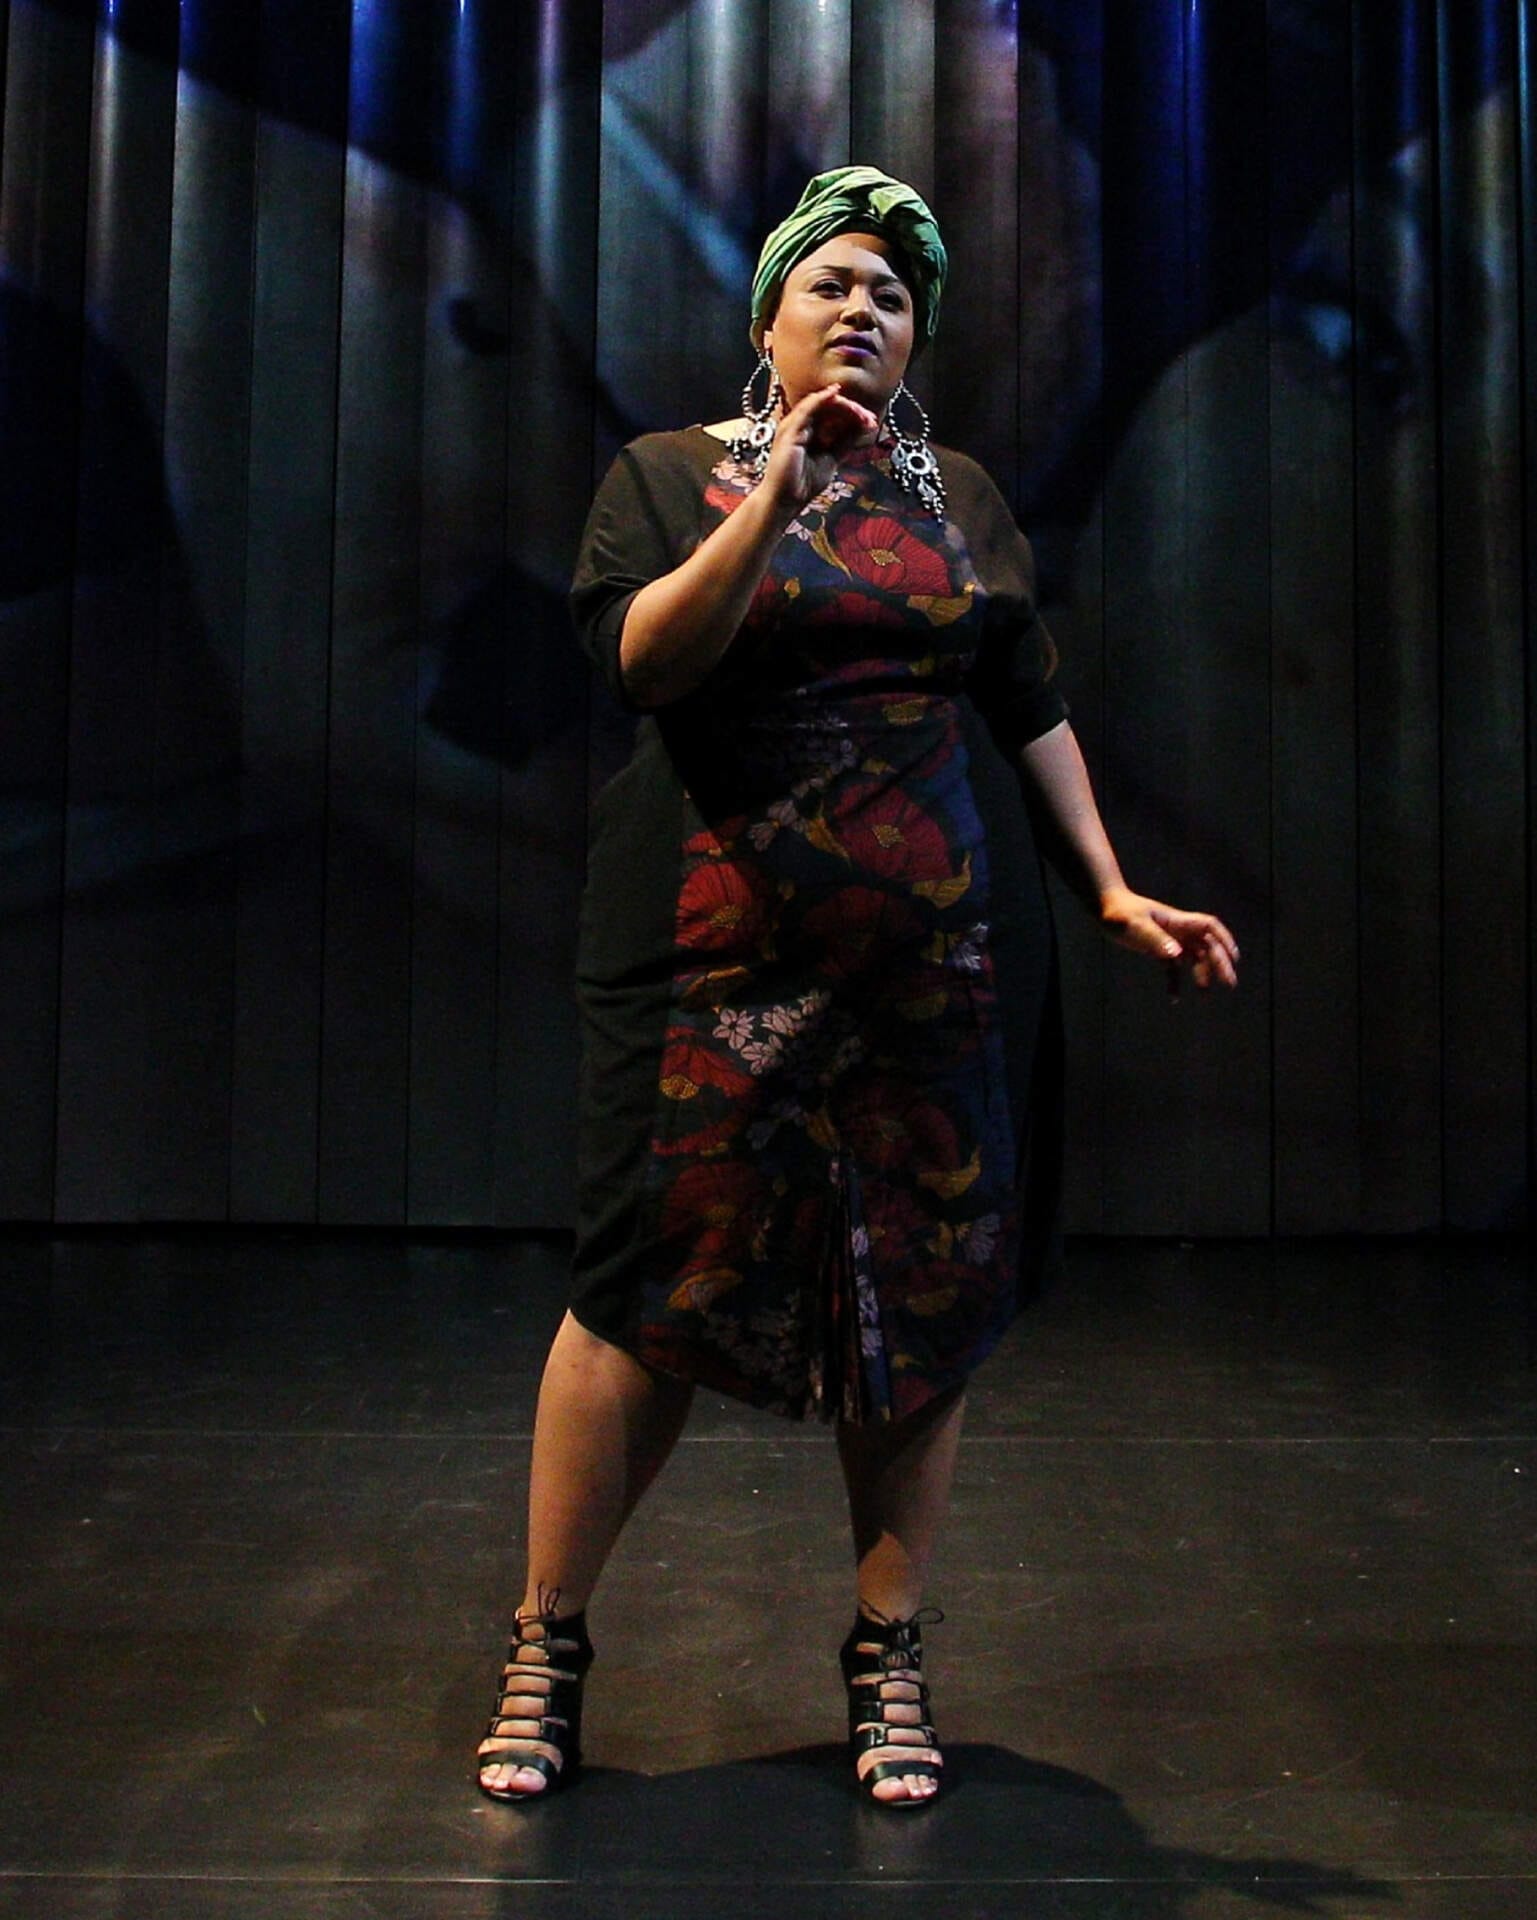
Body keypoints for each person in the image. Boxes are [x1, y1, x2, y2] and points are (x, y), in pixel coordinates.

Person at [476, 166, 1239, 1811]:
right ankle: (547, 1644)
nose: (862, 309)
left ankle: (887, 1651)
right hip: (710, 954)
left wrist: (1109, 889)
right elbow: (644, 662)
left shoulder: (957, 494)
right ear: (766, 320)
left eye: (892, 295)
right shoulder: (666, 475)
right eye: (829, 283)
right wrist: (776, 497)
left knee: (923, 1285)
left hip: (934, 959)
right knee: (643, 1288)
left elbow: (1027, 705)